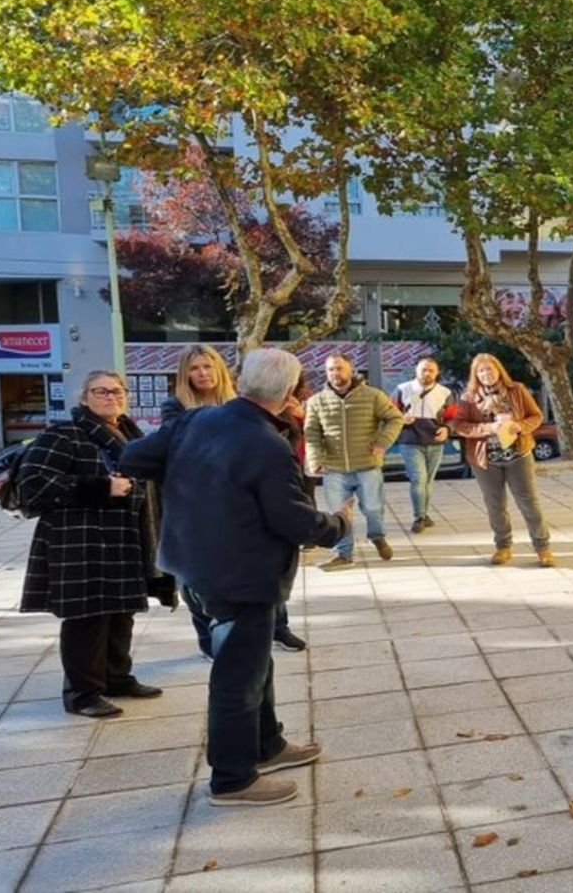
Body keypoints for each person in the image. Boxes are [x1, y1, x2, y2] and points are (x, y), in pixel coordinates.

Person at [121, 348, 348, 807]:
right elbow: (297, 523)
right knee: (237, 676)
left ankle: (267, 745)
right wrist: (340, 524)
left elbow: (133, 456)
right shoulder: (267, 444)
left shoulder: (196, 422)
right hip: (240, 576)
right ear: (287, 394)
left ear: (241, 381)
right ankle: (232, 779)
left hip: (194, 565)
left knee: (254, 663)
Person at [17, 371, 170, 719]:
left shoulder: (130, 434)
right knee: (87, 617)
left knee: (121, 612)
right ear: (84, 398)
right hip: (78, 540)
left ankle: (117, 678)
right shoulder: (63, 434)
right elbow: (34, 484)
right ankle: (82, 693)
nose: (110, 396)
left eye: (117, 391)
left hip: (121, 538)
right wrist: (101, 487)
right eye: (99, 391)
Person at [163, 345, 306, 654]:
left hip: (243, 499)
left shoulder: (243, 404)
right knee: (196, 579)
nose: (202, 373)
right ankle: (208, 637)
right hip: (199, 502)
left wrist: (288, 419)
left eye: (208, 367)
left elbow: (280, 447)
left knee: (263, 567)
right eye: (195, 368)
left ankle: (278, 628)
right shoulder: (176, 408)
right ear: (184, 374)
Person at [448, 353, 554, 566]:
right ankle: (503, 546)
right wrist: (488, 428)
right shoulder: (468, 397)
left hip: (518, 455)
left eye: (490, 369)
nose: (486, 374)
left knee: (529, 502)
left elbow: (536, 416)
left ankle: (543, 548)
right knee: (495, 504)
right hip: (486, 459)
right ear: (475, 375)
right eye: (481, 371)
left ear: (498, 370)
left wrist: (520, 426)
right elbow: (459, 426)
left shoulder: (517, 390)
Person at [303, 353, 403, 570]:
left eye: (339, 368)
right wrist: (314, 458)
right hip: (334, 468)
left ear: (350, 369)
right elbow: (311, 432)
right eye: (330, 369)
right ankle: (344, 554)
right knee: (339, 513)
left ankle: (377, 536)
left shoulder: (373, 395)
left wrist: (382, 442)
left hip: (367, 464)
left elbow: (395, 418)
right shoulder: (316, 401)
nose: (335, 373)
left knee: (374, 508)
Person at [391, 357, 453, 533]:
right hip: (410, 440)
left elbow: (453, 417)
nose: (427, 373)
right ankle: (419, 516)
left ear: (437, 372)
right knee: (418, 479)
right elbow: (388, 412)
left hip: (435, 440)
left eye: (431, 370)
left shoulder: (445, 392)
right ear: (416, 370)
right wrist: (400, 418)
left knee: (428, 481)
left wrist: (447, 429)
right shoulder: (402, 389)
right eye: (423, 369)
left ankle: (424, 514)